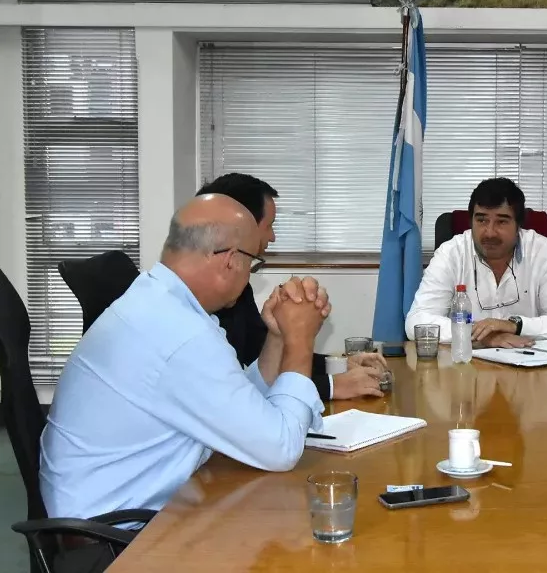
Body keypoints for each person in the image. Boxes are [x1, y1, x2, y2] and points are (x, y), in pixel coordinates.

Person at [41, 194, 329, 519]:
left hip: (113, 504)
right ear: (231, 260)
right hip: (119, 533)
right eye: (252, 263)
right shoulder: (179, 333)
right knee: (295, 523)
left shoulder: (160, 303)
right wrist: (301, 338)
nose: (249, 274)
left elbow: (237, 405)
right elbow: (281, 449)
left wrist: (278, 338)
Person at [196, 173, 387, 401]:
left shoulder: (237, 288)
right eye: (269, 226)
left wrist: (337, 364)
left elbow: (261, 357)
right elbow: (233, 396)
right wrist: (331, 386)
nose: (273, 237)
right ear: (242, 226)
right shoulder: (192, 314)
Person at [405, 177, 547, 348]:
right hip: (467, 363)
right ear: (471, 221)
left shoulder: (544, 253)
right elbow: (417, 320)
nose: (490, 232)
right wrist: (482, 335)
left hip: (529, 362)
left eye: (501, 222)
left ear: (518, 225)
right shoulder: (451, 253)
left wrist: (515, 325)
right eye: (481, 220)